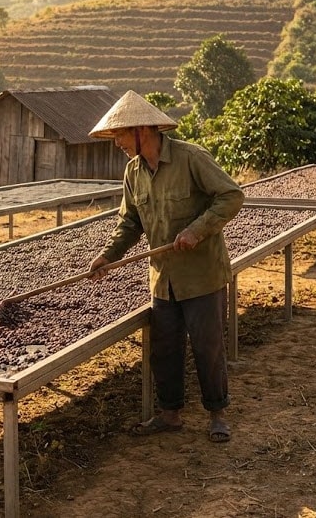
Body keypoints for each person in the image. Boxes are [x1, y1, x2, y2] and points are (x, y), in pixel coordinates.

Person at [86, 90, 244, 443]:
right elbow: (130, 222)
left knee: (207, 347)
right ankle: (170, 413)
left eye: (120, 135)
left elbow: (231, 195)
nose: (117, 143)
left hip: (201, 276)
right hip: (163, 279)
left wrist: (197, 230)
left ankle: (217, 413)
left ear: (142, 130)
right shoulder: (133, 172)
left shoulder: (191, 158)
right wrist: (108, 256)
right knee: (165, 348)